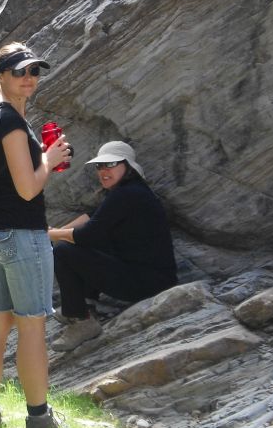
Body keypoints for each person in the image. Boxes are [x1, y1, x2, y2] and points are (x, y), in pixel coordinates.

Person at [0, 42, 71, 428]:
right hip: (21, 234)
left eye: (34, 71)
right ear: (0, 76)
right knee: (32, 327)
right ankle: (39, 422)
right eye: (19, 72)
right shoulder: (9, 121)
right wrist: (48, 159)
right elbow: (28, 188)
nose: (28, 78)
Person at [48, 141, 178, 352]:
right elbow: (91, 218)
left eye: (110, 164)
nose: (103, 171)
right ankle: (86, 304)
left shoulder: (128, 194)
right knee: (74, 243)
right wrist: (56, 232)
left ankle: (82, 320)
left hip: (147, 283)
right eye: (100, 166)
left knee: (63, 251)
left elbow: (89, 234)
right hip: (152, 278)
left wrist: (51, 235)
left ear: (127, 166)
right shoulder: (129, 191)